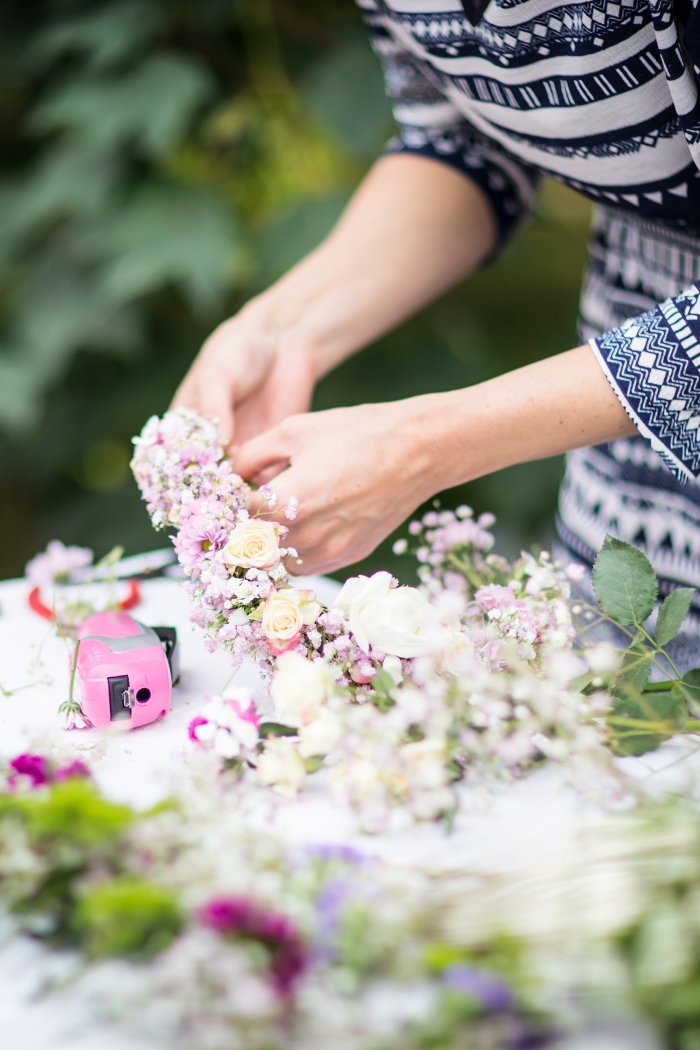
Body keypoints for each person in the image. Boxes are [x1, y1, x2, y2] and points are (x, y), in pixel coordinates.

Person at [174, 0, 700, 667]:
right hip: (625, 418)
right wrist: (280, 332)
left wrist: (418, 447)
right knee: (633, 716)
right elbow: (467, 138)